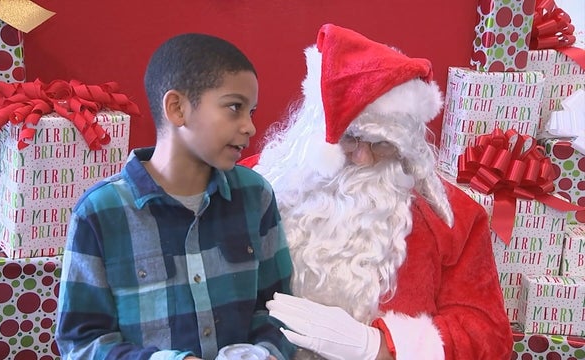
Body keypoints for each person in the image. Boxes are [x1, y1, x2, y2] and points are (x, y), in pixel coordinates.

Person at [243, 24, 513, 359]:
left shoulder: (454, 218)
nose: (363, 158)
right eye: (350, 139)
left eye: (382, 145)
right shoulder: (250, 186)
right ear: (315, 130)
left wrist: (379, 346)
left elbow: (489, 335)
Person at [55, 33, 296, 360]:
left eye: (251, 112)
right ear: (177, 108)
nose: (250, 127)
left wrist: (267, 352)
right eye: (235, 108)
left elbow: (279, 309)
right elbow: (80, 343)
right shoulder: (100, 212)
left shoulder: (256, 196)